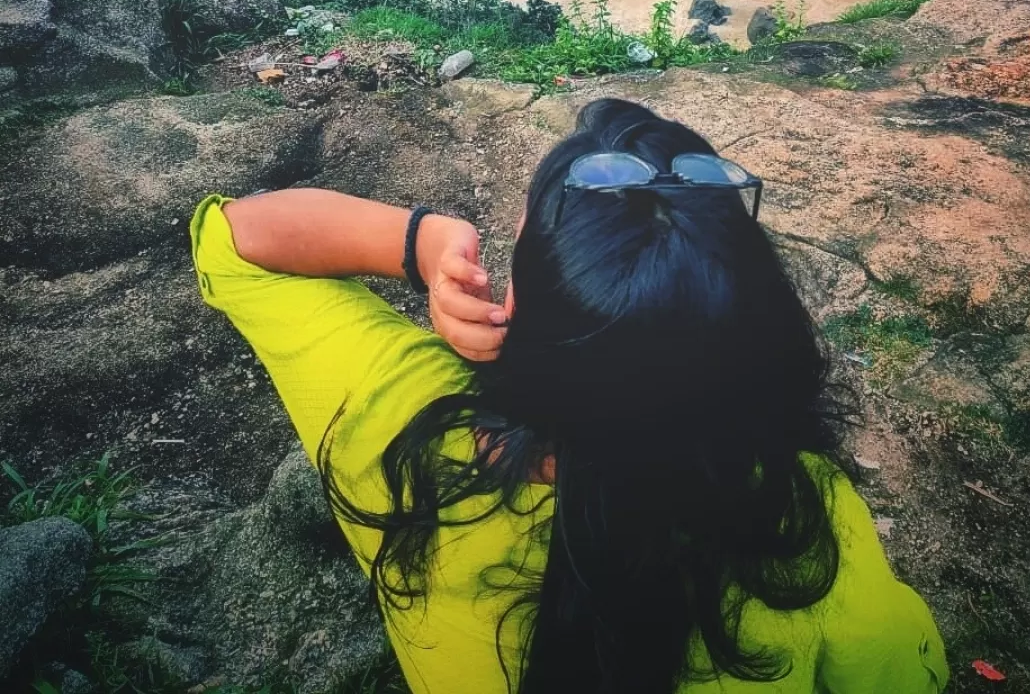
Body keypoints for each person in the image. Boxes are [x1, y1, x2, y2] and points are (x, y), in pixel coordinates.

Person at [191, 97, 948, 694]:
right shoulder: (797, 519)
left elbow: (234, 239)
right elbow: (900, 675)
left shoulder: (395, 425)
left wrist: (424, 243)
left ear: (528, 317)